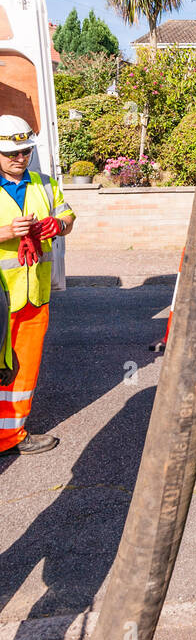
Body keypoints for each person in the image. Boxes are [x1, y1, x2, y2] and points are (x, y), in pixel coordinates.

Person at [0, 116, 75, 455]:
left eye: (25, 151)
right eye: (11, 153)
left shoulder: (44, 183)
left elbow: (68, 217)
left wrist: (57, 225)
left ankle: (11, 435)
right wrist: (5, 233)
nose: (20, 158)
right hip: (3, 298)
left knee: (23, 372)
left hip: (34, 297)